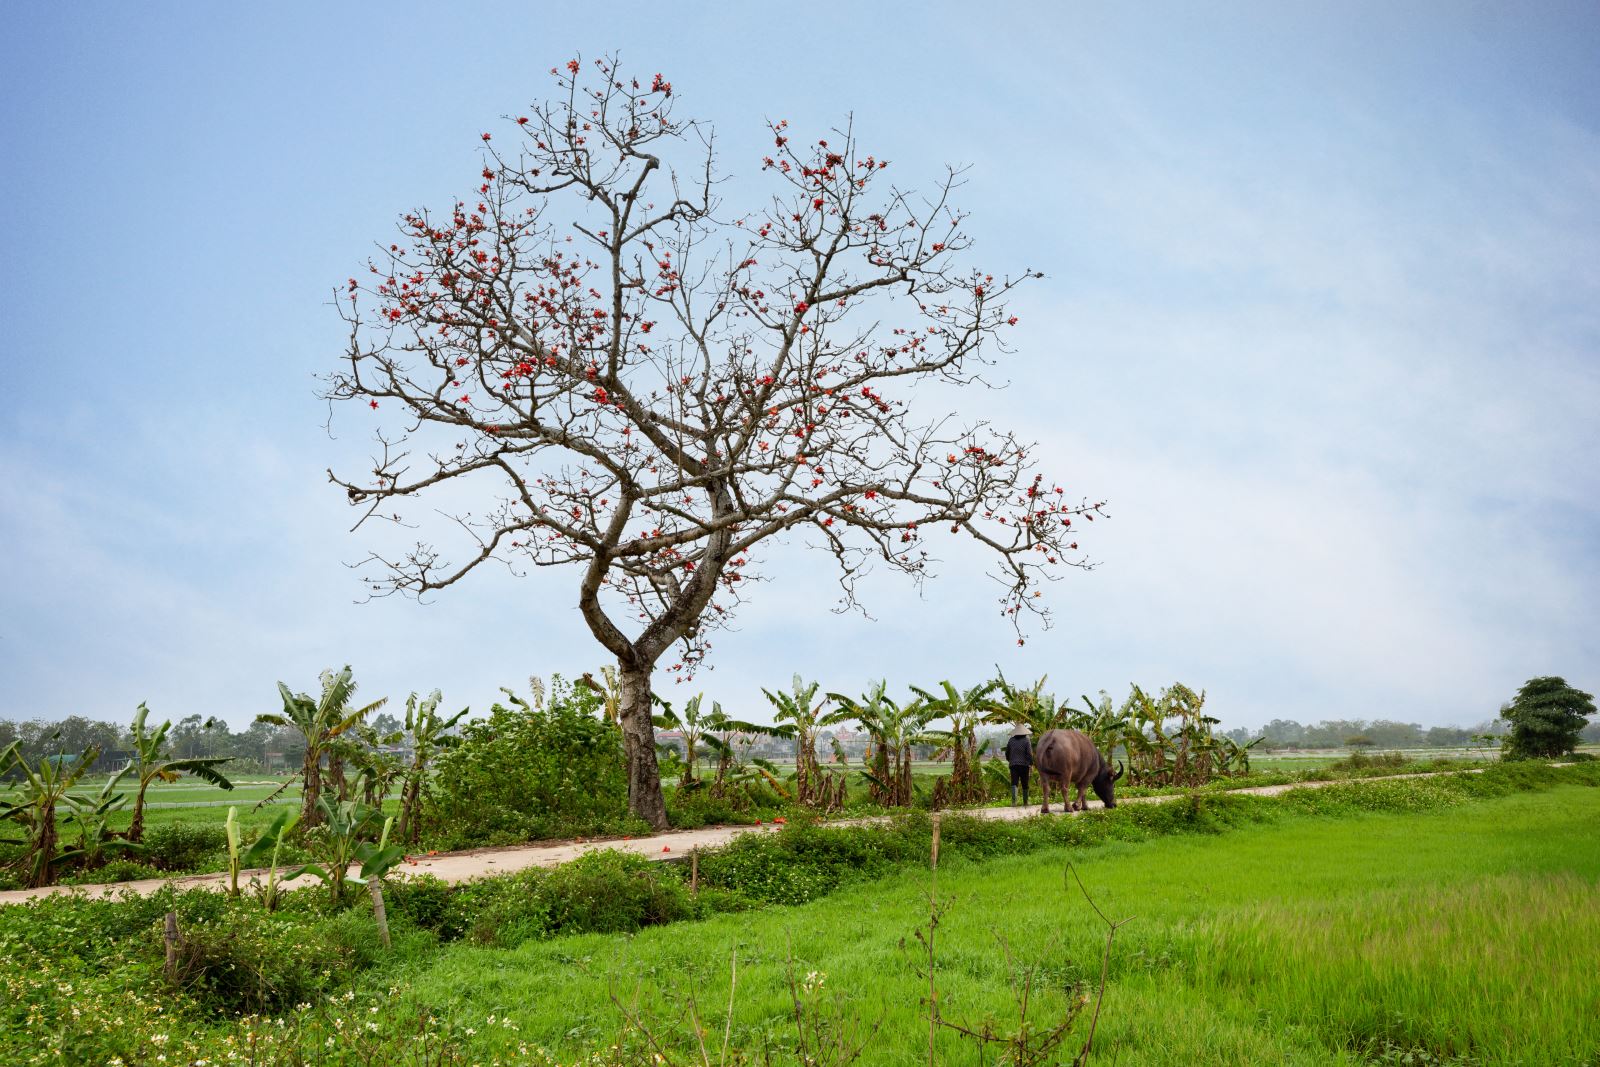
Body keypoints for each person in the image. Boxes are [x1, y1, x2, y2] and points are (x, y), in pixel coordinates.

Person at [1004, 724, 1033, 806]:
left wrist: (1010, 760)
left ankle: (1014, 802)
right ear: (1024, 732)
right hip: (1024, 765)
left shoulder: (1011, 740)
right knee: (1025, 783)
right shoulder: (1027, 740)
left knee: (1014, 782)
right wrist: (1031, 763)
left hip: (1013, 765)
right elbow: (1029, 754)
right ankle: (1025, 802)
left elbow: (1007, 753)